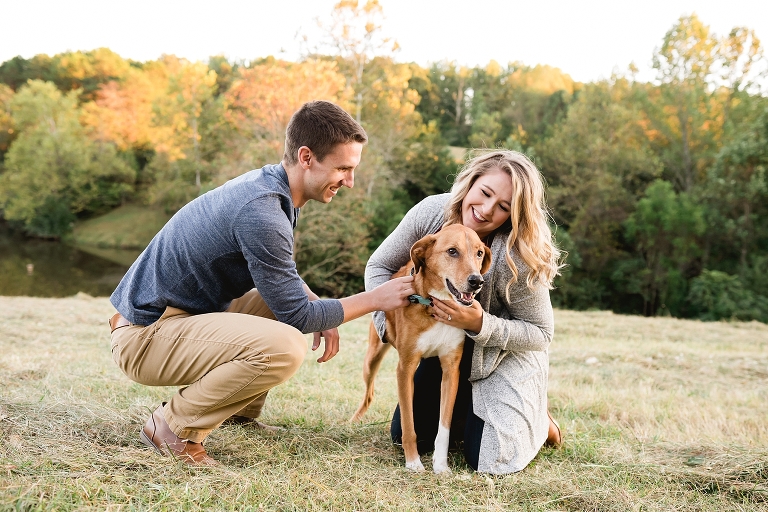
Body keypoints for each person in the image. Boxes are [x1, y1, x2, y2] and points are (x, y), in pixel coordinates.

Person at [109, 101, 415, 466]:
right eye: (343, 168)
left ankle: (239, 411)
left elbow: (280, 274)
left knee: (272, 304)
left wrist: (321, 304)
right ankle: (171, 427)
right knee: (286, 346)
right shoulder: (263, 211)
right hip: (144, 336)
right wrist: (377, 297)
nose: (349, 181)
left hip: (177, 317)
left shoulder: (273, 188)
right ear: (306, 157)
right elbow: (298, 315)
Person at [365, 149, 563, 474]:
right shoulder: (431, 213)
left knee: (488, 460)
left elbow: (541, 334)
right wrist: (390, 327)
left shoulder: (520, 252)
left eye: (503, 207)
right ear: (470, 183)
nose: (486, 210)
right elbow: (379, 266)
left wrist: (480, 323)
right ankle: (463, 413)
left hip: (501, 354)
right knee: (405, 437)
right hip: (443, 340)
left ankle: (538, 419)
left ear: (516, 214)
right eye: (485, 193)